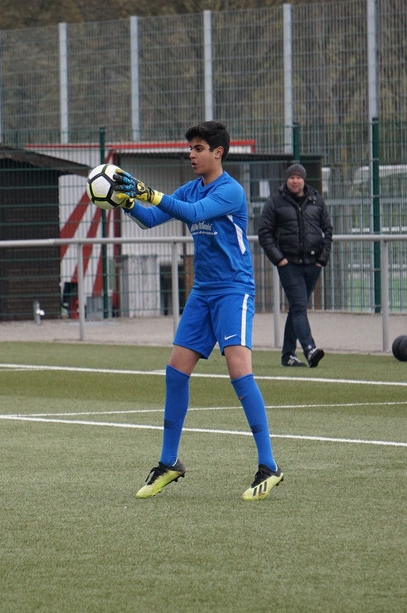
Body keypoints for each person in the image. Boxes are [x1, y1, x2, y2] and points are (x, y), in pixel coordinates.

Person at [112, 120, 282, 502]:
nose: (191, 153)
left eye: (199, 147)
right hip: (203, 291)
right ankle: (169, 462)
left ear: (218, 152)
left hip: (233, 290)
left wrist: (146, 191)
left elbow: (193, 214)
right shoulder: (191, 187)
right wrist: (126, 201)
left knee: (239, 371)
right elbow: (152, 218)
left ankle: (269, 465)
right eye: (190, 147)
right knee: (175, 372)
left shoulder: (231, 191)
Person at [256, 162, 333, 368]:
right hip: (289, 265)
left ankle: (288, 355)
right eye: (292, 177)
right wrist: (279, 259)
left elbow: (328, 231)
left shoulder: (317, 201)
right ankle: (310, 349)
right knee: (299, 307)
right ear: (286, 180)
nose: (295, 181)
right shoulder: (275, 202)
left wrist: (321, 260)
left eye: (299, 177)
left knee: (296, 309)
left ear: (304, 180)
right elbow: (264, 233)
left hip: (312, 264)